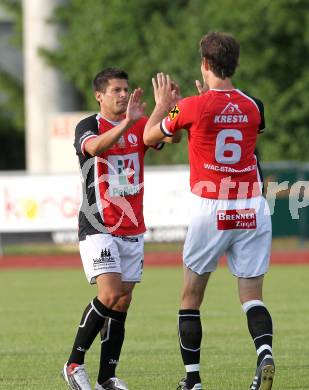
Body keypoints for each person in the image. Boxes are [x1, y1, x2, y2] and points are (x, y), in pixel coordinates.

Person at [143, 32, 274, 390]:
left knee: (191, 296)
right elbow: (232, 122)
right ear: (235, 64)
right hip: (251, 205)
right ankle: (264, 353)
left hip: (211, 207)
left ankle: (193, 380)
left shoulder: (188, 106)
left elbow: (151, 136)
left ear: (204, 63)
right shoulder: (254, 105)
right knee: (251, 296)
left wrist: (163, 104)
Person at [62, 67, 179, 390]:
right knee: (110, 293)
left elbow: (171, 134)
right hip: (98, 223)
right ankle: (73, 364)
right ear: (99, 95)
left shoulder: (140, 124)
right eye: (116, 90)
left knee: (123, 301)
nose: (123, 94)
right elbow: (96, 148)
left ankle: (106, 379)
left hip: (132, 224)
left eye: (125, 89)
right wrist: (128, 122)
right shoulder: (89, 125)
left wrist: (172, 106)